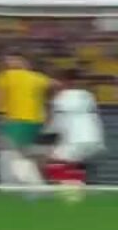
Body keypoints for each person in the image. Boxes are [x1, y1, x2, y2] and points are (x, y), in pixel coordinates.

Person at [0, 54, 53, 193]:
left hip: (18, 121)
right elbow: (53, 84)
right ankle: (36, 186)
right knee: (23, 155)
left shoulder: (10, 75)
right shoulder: (38, 78)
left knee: (8, 153)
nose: (8, 61)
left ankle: (14, 186)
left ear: (24, 61)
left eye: (12, 59)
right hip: (37, 123)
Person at [42, 69, 106, 202]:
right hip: (93, 138)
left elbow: (56, 123)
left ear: (64, 81)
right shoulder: (88, 95)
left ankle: (74, 196)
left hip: (76, 139)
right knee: (73, 164)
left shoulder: (61, 97)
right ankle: (76, 191)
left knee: (53, 162)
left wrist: (44, 140)